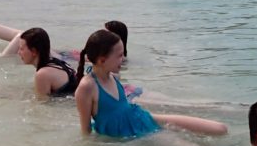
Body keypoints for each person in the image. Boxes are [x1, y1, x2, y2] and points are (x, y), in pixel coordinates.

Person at [74, 28, 228, 138]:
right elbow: (86, 133)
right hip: (137, 135)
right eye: (120, 55)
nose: (123, 59)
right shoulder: (87, 87)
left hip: (143, 118)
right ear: (102, 60)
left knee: (220, 129)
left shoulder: (112, 76)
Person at [0, 3, 140, 99]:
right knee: (20, 35)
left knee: (20, 35)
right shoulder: (51, 67)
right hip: (66, 58)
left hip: (66, 64)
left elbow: (43, 105)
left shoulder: (114, 60)